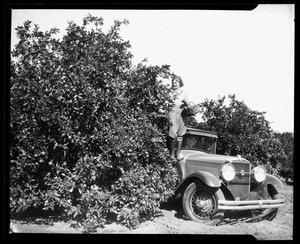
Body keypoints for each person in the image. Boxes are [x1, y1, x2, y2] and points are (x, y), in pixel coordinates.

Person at [167, 75, 191, 160]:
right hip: (173, 113)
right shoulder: (169, 92)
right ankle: (172, 154)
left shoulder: (184, 93)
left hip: (182, 114)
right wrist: (170, 99)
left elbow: (188, 104)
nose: (174, 83)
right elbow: (165, 103)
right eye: (173, 82)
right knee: (173, 132)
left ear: (180, 83)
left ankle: (178, 153)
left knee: (181, 133)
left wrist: (185, 102)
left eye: (176, 82)